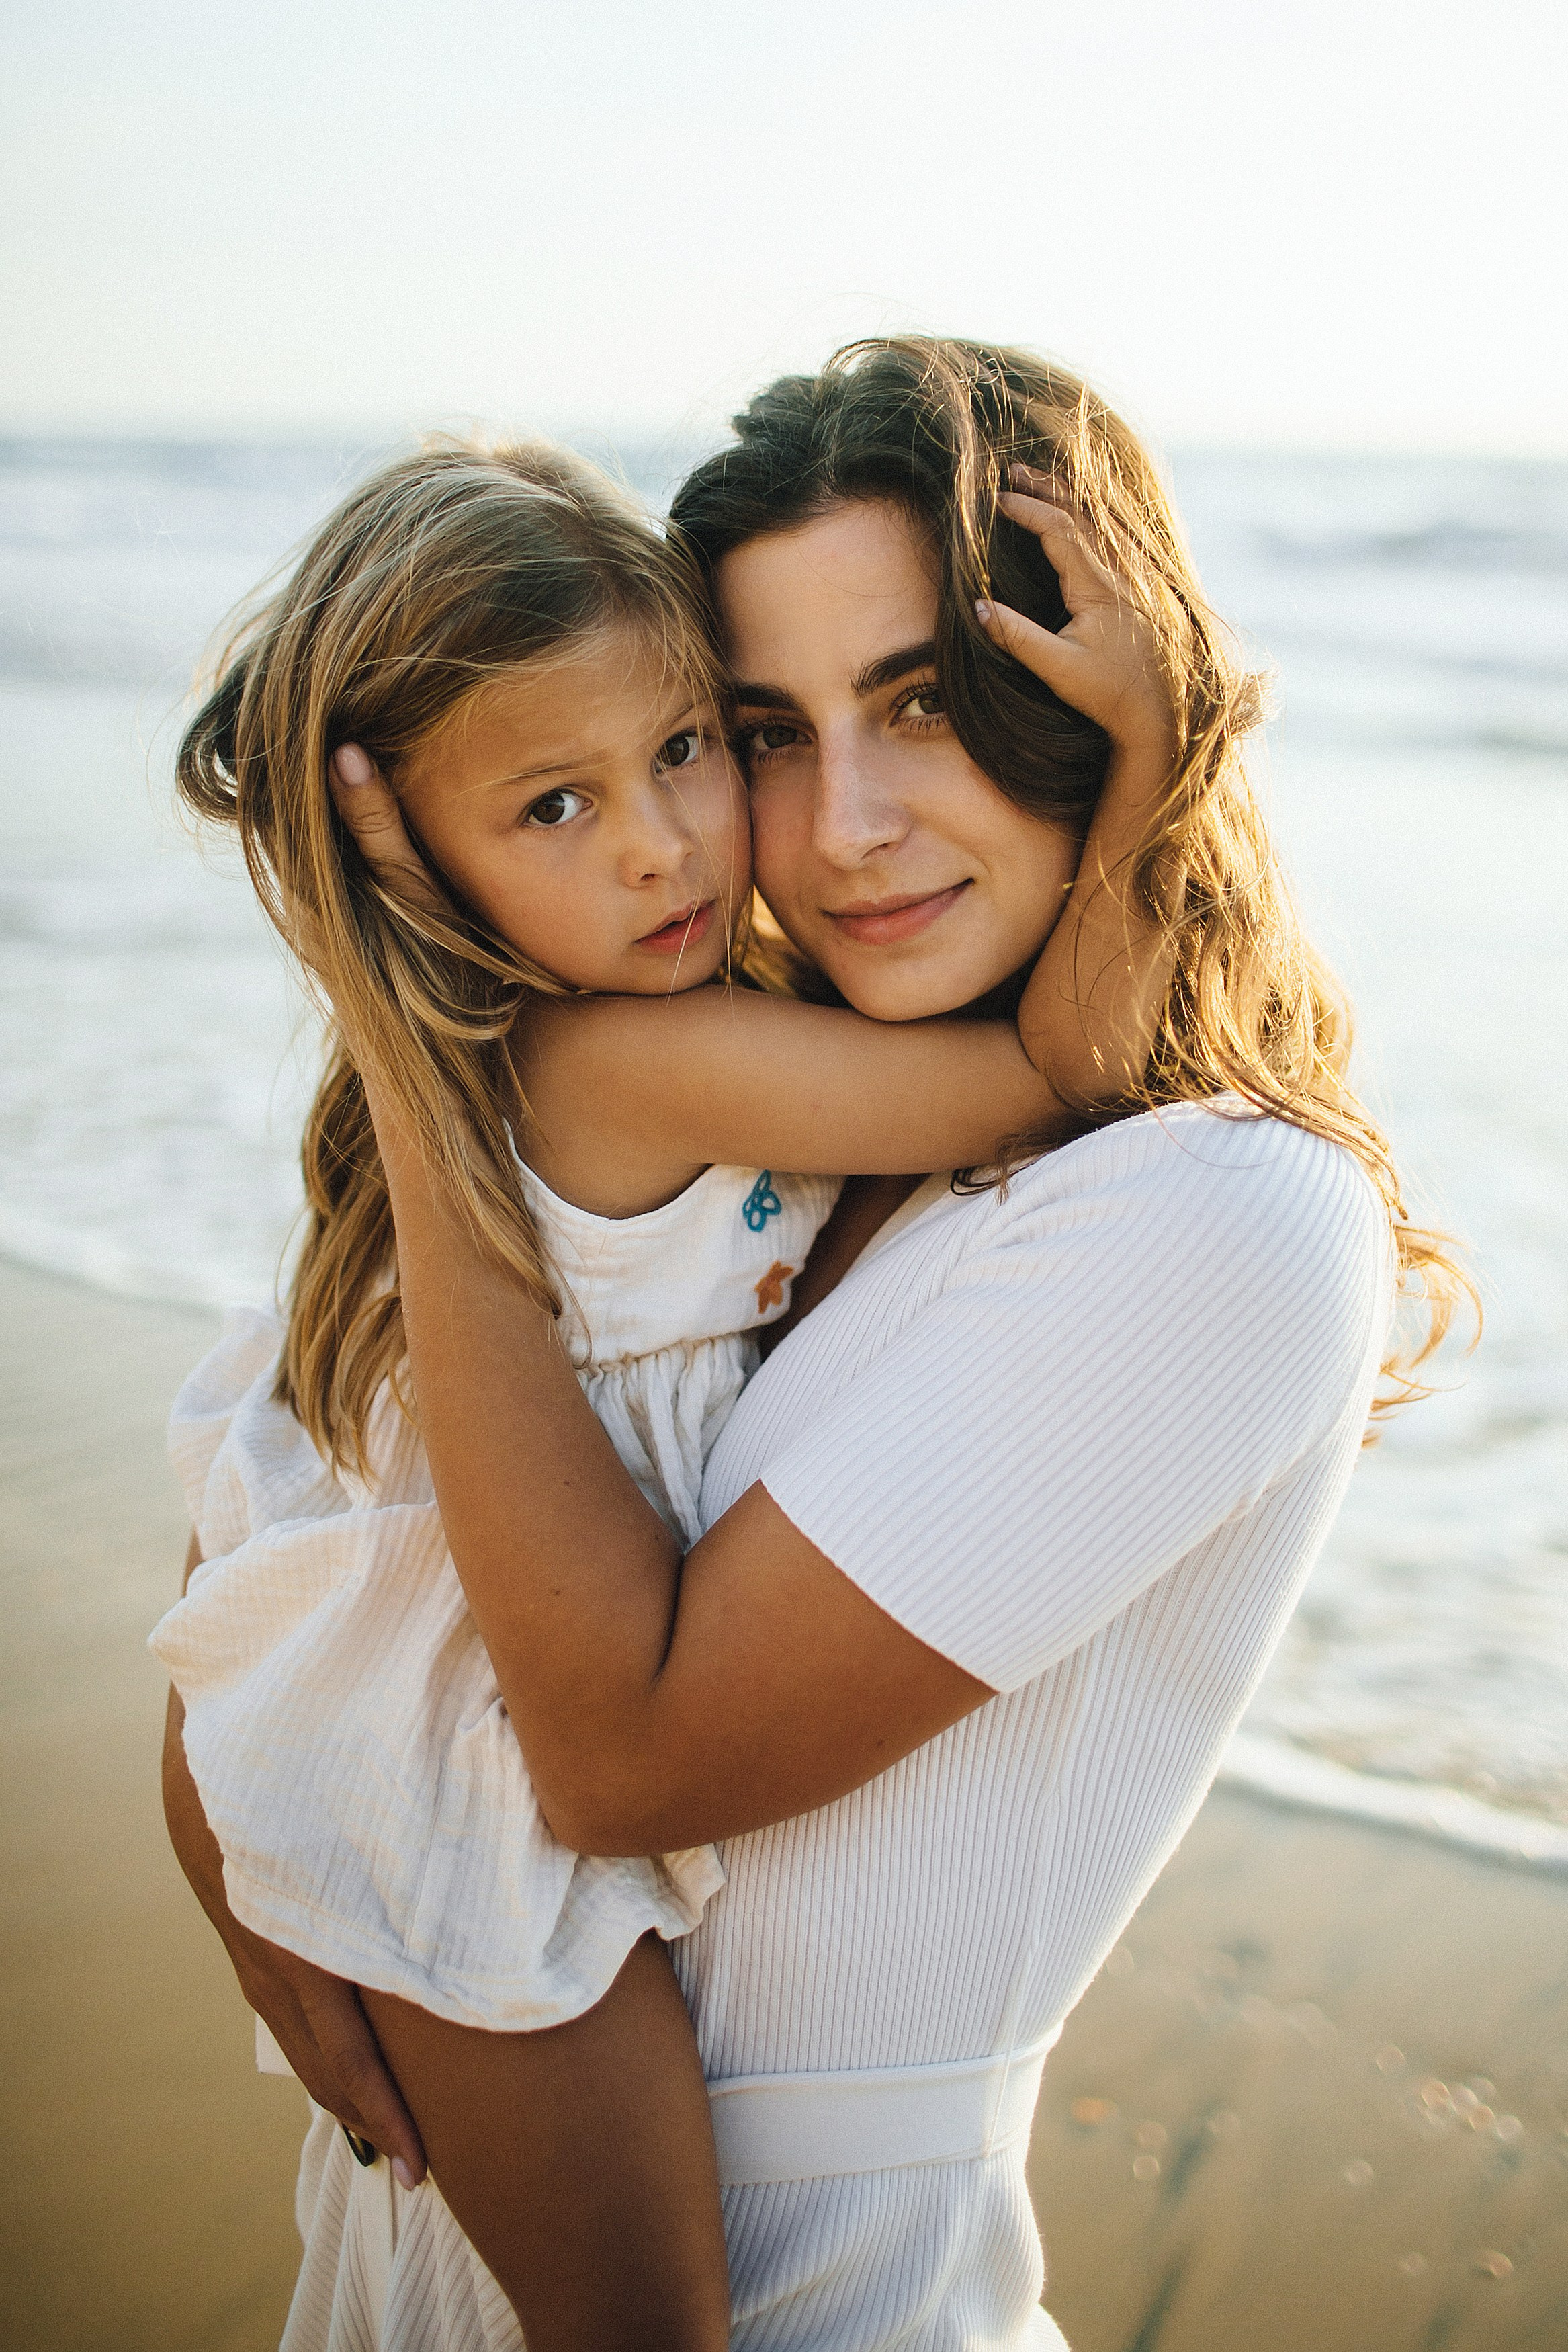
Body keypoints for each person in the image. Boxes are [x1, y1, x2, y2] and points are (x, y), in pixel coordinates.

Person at [164, 339, 1465, 2351]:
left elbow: (614, 1755)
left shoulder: (1214, 1209)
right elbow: (325, 1443)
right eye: (763, 725)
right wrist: (232, 1777)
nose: (838, 823)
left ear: (1097, 688)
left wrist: (418, 1050)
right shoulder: (765, 1114)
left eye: (926, 700)